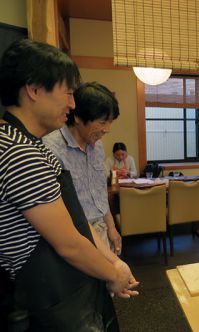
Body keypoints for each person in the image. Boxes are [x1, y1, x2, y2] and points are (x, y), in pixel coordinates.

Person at [0, 39, 137, 331]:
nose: (72, 104)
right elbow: (69, 244)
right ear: (34, 90)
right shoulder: (19, 152)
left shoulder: (28, 144)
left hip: (63, 280)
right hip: (44, 295)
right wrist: (112, 272)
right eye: (68, 93)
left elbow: (77, 225)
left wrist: (111, 260)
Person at [44, 82, 122, 254]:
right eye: (102, 122)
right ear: (78, 117)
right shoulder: (52, 148)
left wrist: (111, 227)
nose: (107, 129)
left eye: (110, 122)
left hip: (101, 228)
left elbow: (100, 190)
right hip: (74, 237)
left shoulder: (97, 146)